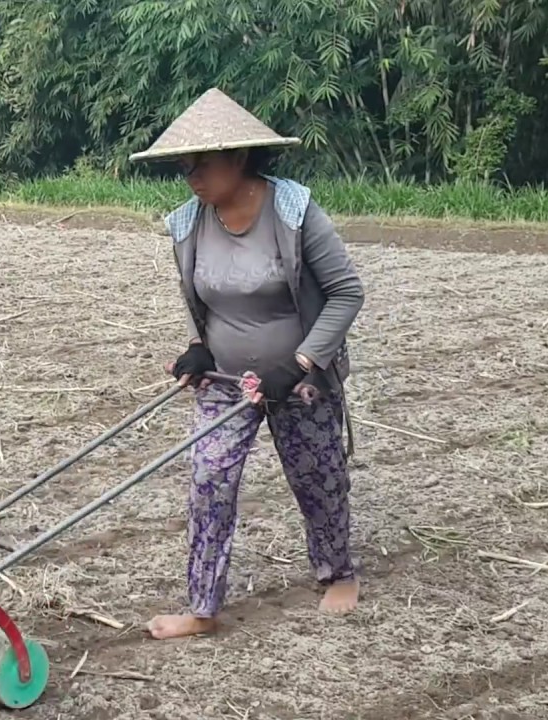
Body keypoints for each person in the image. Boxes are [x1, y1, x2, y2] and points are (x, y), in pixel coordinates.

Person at [127, 88, 366, 640]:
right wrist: (198, 347)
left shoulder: (294, 213)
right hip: (225, 379)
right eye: (184, 166)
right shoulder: (187, 223)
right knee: (209, 478)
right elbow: (200, 298)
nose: (191, 175)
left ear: (237, 158)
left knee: (318, 476)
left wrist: (302, 362)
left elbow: (346, 294)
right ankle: (202, 607)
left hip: (299, 380)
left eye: (201, 164)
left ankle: (339, 572)